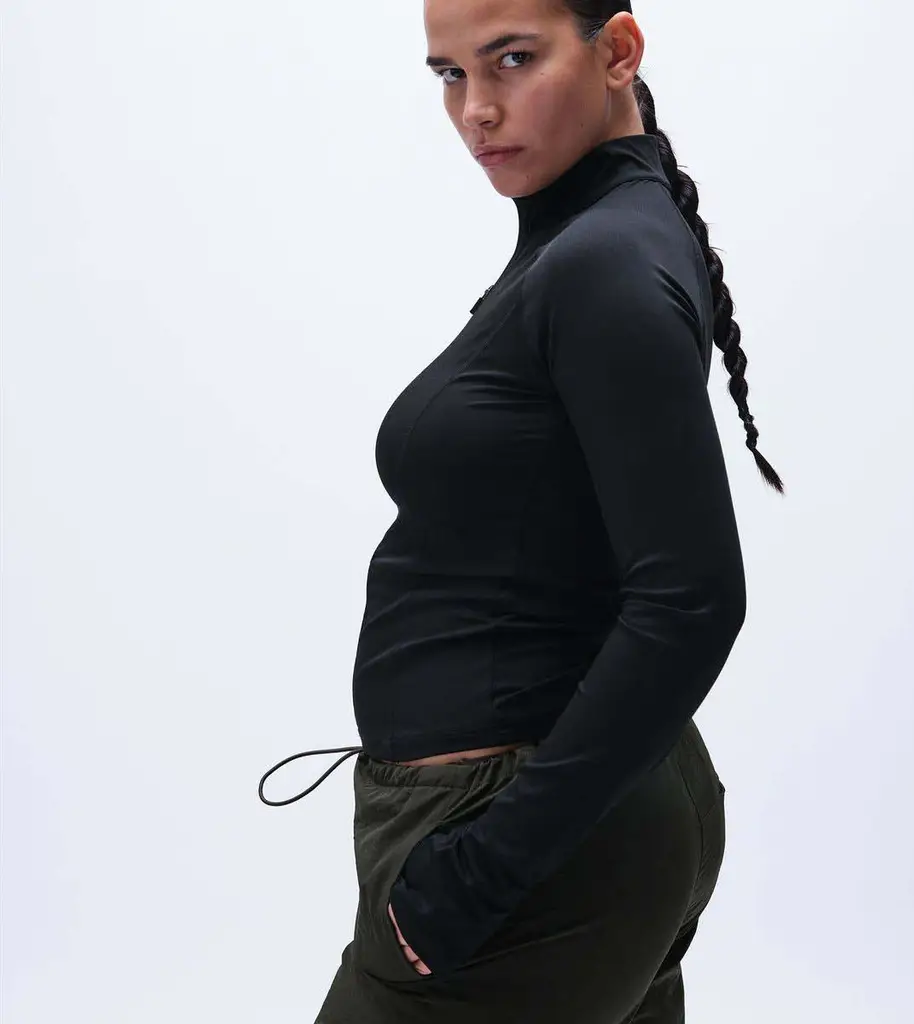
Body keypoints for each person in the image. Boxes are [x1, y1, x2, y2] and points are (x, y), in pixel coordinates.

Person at [258, 1, 784, 1020]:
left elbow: (693, 599)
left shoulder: (601, 264)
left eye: (512, 59)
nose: (477, 109)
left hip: (529, 836)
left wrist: (483, 872)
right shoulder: (594, 239)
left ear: (616, 50)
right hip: (585, 812)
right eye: (449, 74)